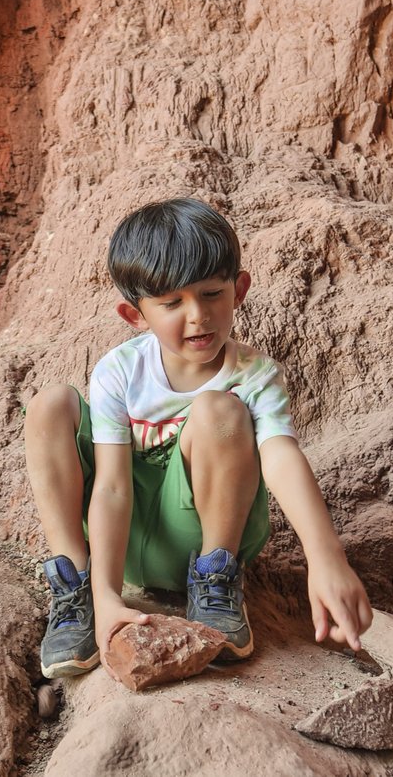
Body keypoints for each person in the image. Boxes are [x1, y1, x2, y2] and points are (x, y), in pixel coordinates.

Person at [25, 198, 372, 680]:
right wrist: (108, 594)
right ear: (135, 314)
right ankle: (78, 591)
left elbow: (280, 455)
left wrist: (326, 556)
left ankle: (215, 582)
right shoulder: (120, 372)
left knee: (219, 409)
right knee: (50, 405)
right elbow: (110, 486)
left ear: (240, 289)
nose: (198, 316)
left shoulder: (254, 376)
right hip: (120, 542)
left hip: (201, 533)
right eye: (171, 303)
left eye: (212, 293)